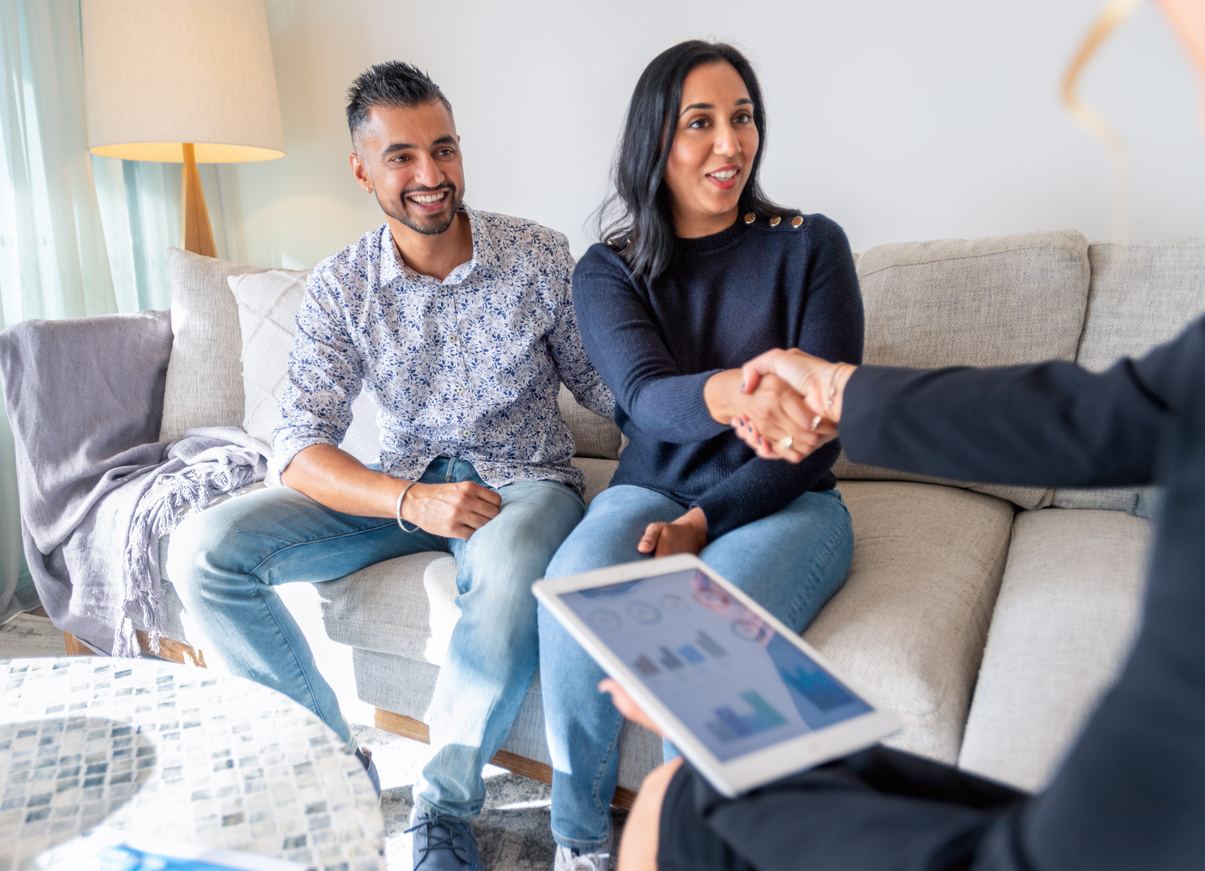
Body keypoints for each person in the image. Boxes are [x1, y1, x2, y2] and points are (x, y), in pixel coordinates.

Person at [165, 61, 613, 871]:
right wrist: (412, 500)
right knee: (201, 550)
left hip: (522, 484)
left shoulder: (540, 257)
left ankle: (441, 808)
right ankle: (334, 764)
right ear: (362, 169)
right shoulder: (340, 285)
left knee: (509, 573)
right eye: (402, 156)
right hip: (398, 487)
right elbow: (298, 446)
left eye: (443, 149)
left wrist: (715, 413)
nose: (430, 175)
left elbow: (613, 393)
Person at [602, 321, 1205, 870]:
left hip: (1123, 836)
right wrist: (839, 391)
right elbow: (1103, 413)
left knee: (681, 804)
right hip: (1103, 813)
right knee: (696, 787)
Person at [536, 41, 864, 870]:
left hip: (788, 500)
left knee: (707, 647)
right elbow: (645, 399)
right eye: (700, 123)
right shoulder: (607, 268)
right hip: (647, 486)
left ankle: (683, 851)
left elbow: (811, 438)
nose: (730, 144)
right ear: (654, 140)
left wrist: (705, 520)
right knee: (568, 594)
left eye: (742, 117)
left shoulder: (811, 245)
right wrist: (736, 393)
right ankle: (578, 842)